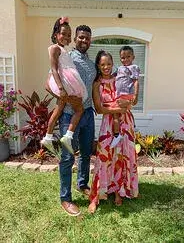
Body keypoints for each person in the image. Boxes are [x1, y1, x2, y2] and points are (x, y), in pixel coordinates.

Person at [88, 50, 139, 214]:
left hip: (126, 122)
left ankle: (119, 191)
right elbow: (99, 108)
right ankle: (96, 195)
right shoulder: (97, 83)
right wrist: (118, 108)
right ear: (98, 65)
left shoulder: (120, 77)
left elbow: (131, 100)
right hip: (108, 125)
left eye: (109, 63)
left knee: (122, 156)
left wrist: (131, 99)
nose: (106, 67)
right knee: (103, 157)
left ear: (113, 63)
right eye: (102, 64)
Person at [59, 25, 96, 216]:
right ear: (75, 38)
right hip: (69, 115)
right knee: (67, 157)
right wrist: (66, 98)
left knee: (86, 153)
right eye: (81, 37)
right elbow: (50, 83)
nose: (84, 41)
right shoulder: (66, 58)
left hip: (88, 114)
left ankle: (83, 184)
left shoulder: (91, 63)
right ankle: (65, 198)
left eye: (87, 38)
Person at [41, 17, 88, 154]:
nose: (66, 37)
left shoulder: (62, 49)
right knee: (79, 109)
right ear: (56, 34)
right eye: (63, 34)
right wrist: (61, 88)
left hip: (66, 81)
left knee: (59, 109)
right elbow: (54, 69)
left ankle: (48, 137)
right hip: (65, 82)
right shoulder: (54, 48)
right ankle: (68, 136)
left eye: (69, 35)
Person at [110, 45, 140, 148]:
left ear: (133, 57)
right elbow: (113, 77)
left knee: (116, 113)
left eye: (128, 57)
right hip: (119, 95)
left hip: (127, 94)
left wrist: (136, 95)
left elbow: (136, 81)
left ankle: (117, 135)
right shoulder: (119, 68)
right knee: (121, 113)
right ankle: (130, 128)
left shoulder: (133, 67)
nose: (125, 59)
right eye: (123, 57)